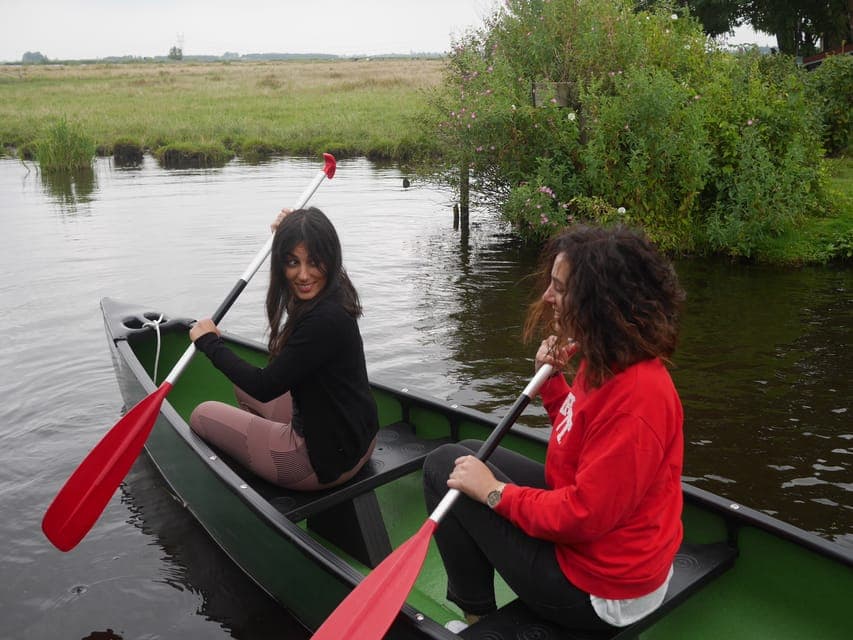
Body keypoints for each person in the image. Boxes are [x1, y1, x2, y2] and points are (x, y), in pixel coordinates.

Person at [422, 224, 686, 634]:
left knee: (444, 468)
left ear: (598, 302)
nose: (547, 296)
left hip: (602, 591)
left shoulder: (637, 400)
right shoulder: (608, 355)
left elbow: (583, 515)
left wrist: (495, 493)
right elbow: (582, 433)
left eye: (559, 288)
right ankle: (478, 611)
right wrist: (552, 386)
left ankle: (478, 621)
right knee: (467, 455)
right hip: (602, 545)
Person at [188, 206, 379, 491]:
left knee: (202, 414)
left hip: (315, 465)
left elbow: (264, 386)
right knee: (242, 389)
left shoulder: (322, 322)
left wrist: (210, 343)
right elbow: (306, 286)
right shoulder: (337, 288)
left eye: (313, 262)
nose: (303, 275)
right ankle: (259, 448)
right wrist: (287, 234)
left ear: (329, 258)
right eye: (292, 262)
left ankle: (258, 472)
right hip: (360, 442)